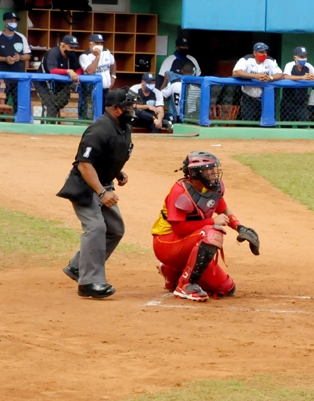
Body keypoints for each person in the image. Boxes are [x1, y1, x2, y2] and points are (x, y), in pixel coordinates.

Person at [58, 88, 136, 299]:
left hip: (103, 183)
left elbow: (109, 153)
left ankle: (77, 267)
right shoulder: (99, 129)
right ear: (116, 109)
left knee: (115, 229)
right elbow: (84, 165)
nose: (132, 109)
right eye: (129, 105)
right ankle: (89, 282)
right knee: (95, 228)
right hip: (86, 186)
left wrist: (116, 171)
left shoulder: (123, 126)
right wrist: (102, 192)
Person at [152, 152, 260, 302]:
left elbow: (223, 209)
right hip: (167, 244)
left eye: (213, 169)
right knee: (212, 233)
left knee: (226, 288)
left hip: (188, 241)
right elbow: (179, 229)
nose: (213, 174)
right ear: (196, 173)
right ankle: (186, 285)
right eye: (208, 170)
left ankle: (172, 271)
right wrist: (212, 222)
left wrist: (240, 227)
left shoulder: (211, 188)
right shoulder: (179, 192)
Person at [0, 11, 31, 115]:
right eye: (11, 20)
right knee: (1, 102)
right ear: (4, 22)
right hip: (3, 77)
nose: (13, 22)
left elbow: (28, 55)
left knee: (19, 102)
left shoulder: (21, 37)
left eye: (15, 21)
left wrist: (19, 57)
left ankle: (19, 124)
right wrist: (5, 59)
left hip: (18, 76)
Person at [233, 42, 283, 123]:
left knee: (266, 123)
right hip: (249, 97)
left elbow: (280, 74)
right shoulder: (246, 59)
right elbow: (236, 72)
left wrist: (270, 77)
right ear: (254, 53)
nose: (264, 54)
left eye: (265, 52)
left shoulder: (271, 61)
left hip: (265, 98)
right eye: (261, 52)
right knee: (248, 122)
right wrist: (255, 76)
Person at [37, 35, 82, 119]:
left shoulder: (71, 55)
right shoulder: (53, 52)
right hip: (43, 83)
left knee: (58, 104)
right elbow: (52, 70)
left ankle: (52, 128)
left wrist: (77, 76)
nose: (73, 50)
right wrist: (68, 71)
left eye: (74, 47)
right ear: (63, 45)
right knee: (49, 106)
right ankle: (46, 129)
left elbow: (78, 68)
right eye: (71, 47)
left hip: (58, 85)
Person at [159, 38, 201, 119]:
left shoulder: (192, 60)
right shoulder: (169, 60)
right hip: (174, 101)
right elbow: (161, 84)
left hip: (191, 101)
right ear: (177, 47)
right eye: (182, 46)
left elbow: (199, 78)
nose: (185, 48)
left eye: (186, 46)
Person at [79, 32, 117, 119]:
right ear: (90, 45)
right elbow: (90, 71)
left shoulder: (106, 52)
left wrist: (113, 76)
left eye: (101, 43)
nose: (100, 45)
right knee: (92, 112)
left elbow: (113, 63)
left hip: (106, 89)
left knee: (105, 111)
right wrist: (98, 57)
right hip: (92, 90)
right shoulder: (84, 56)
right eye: (97, 43)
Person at [281, 46, 314, 122]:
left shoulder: (308, 66)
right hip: (288, 102)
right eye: (301, 56)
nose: (304, 58)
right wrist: (302, 77)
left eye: (305, 56)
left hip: (301, 103)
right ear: (295, 57)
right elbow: (286, 76)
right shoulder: (290, 65)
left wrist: (313, 77)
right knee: (286, 126)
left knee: (304, 124)